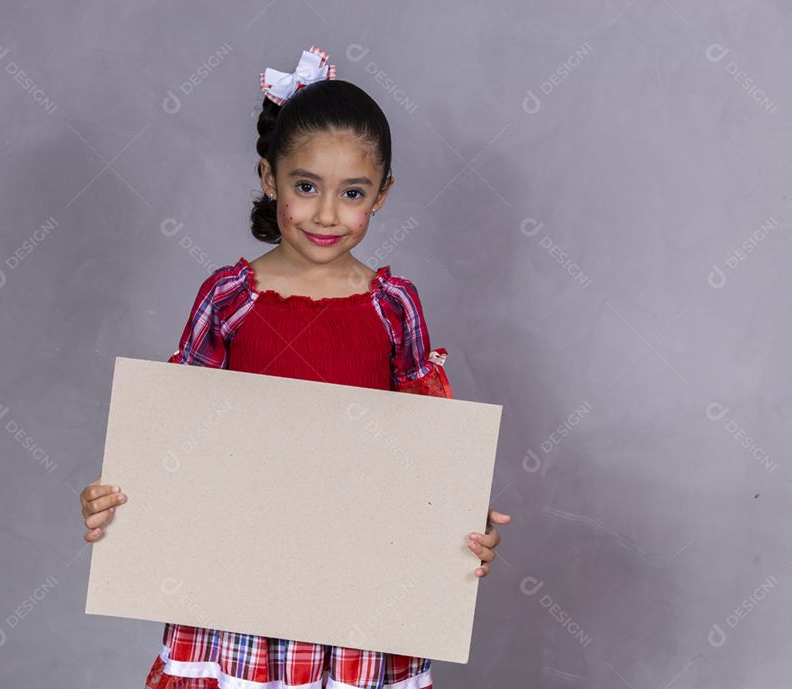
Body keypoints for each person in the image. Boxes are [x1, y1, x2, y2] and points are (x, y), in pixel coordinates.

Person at [79, 46, 511, 689]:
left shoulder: (395, 310)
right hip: (239, 598)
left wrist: (459, 520)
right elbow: (175, 437)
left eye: (353, 193)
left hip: (359, 603)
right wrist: (118, 503)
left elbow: (427, 455)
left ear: (383, 196)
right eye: (306, 186)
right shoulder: (228, 300)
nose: (327, 213)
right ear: (268, 177)